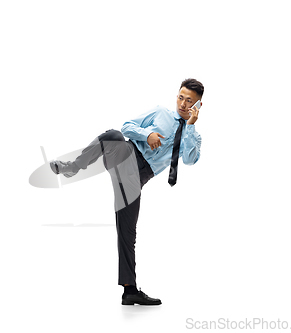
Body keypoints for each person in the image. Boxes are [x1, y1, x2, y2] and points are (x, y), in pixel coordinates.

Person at [50, 78, 203, 305]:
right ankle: (72, 167)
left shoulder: (194, 136)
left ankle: (129, 290)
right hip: (126, 154)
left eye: (189, 101)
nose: (182, 103)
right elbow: (127, 127)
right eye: (180, 97)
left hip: (137, 178)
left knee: (127, 231)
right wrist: (146, 135)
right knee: (113, 135)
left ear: (198, 105)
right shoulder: (160, 112)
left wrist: (189, 126)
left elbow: (190, 160)